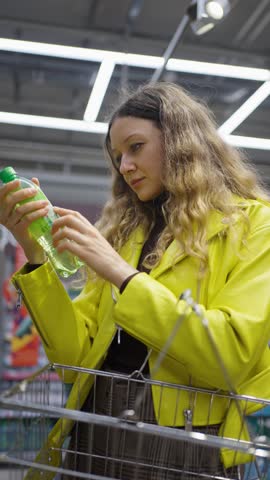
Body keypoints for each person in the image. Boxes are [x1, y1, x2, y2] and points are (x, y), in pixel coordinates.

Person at [1, 81, 270, 479]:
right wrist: (36, 253)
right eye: (117, 156)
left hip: (187, 442)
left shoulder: (252, 226)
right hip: (98, 431)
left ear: (180, 141)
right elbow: (76, 363)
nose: (124, 165)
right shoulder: (125, 234)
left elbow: (227, 355)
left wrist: (123, 275)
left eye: (136, 147)